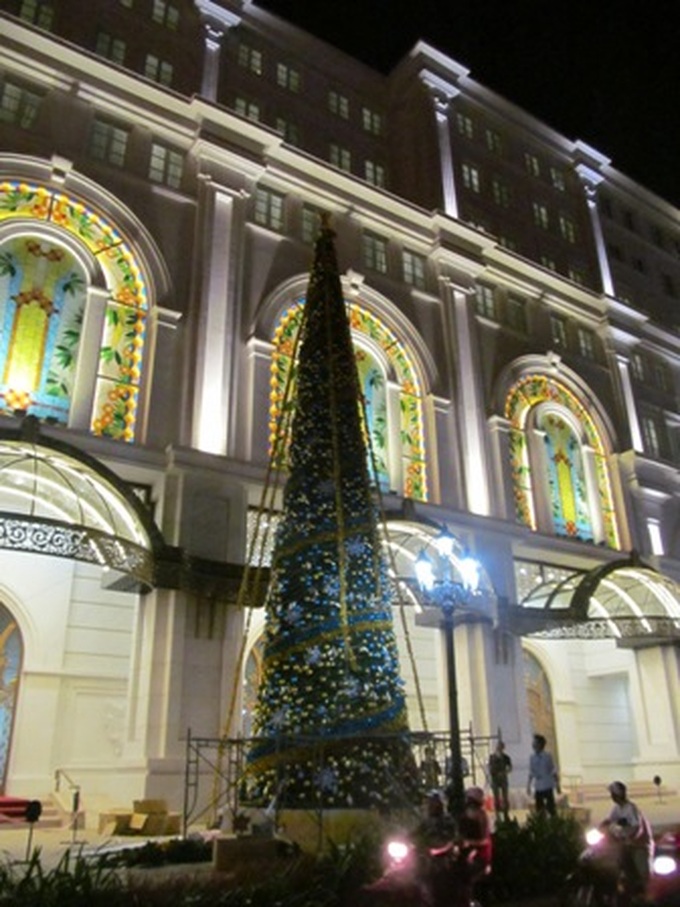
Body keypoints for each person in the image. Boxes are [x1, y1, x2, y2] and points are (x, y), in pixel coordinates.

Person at [601, 780, 653, 895]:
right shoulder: (617, 808)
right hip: (626, 844)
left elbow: (637, 827)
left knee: (643, 871)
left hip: (639, 845)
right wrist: (601, 826)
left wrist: (628, 837)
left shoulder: (631, 808)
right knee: (620, 864)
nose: (611, 796)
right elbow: (610, 820)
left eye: (613, 794)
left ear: (618, 795)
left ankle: (647, 894)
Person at [527, 734, 559, 816]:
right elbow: (531, 772)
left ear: (540, 744)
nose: (533, 745)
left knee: (551, 808)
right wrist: (528, 785)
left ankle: (553, 820)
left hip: (547, 785)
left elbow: (553, 770)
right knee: (539, 809)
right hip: (538, 786)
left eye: (535, 743)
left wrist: (557, 784)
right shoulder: (532, 757)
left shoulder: (547, 756)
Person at [488, 740, 512, 821]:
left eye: (501, 747)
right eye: (498, 746)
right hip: (495, 779)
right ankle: (497, 815)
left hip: (503, 779)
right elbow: (490, 767)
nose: (499, 748)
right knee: (496, 798)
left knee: (505, 797)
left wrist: (504, 772)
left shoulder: (506, 757)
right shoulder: (492, 757)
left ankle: (506, 814)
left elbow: (510, 768)